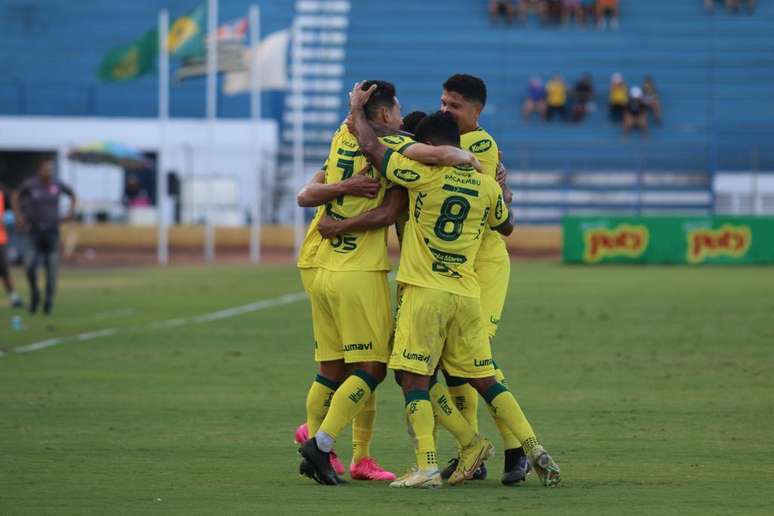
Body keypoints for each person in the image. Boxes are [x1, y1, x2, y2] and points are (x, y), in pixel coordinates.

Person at [349, 84, 562, 489]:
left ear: (430, 146)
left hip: (425, 291)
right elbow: (507, 225)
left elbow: (376, 151)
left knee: (413, 379)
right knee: (486, 379)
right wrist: (502, 188)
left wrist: (357, 110)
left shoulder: (421, 176)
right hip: (466, 292)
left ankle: (427, 464)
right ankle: (533, 447)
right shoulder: (484, 184)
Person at [297, 80, 484, 486]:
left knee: (331, 368)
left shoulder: (340, 135)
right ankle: (322, 445)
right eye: (398, 113)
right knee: (375, 367)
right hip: (359, 272)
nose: (402, 120)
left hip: (321, 266)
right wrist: (466, 157)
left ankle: (325, 443)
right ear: (384, 115)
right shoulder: (397, 150)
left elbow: (305, 194)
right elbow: (427, 158)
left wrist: (339, 192)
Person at [12, 157, 76, 315]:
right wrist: (18, 216)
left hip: (52, 232)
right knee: (29, 265)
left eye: (50, 169)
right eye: (45, 169)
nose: (48, 172)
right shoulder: (30, 184)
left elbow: (72, 195)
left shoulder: (57, 185)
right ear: (39, 170)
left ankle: (48, 300)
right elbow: (15, 196)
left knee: (52, 268)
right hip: (33, 232)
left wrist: (70, 212)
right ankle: (34, 293)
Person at [0, 186, 23, 308]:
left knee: (3, 269)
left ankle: (14, 297)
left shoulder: (2, 192)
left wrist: (6, 219)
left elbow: (10, 212)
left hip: (0, 239)